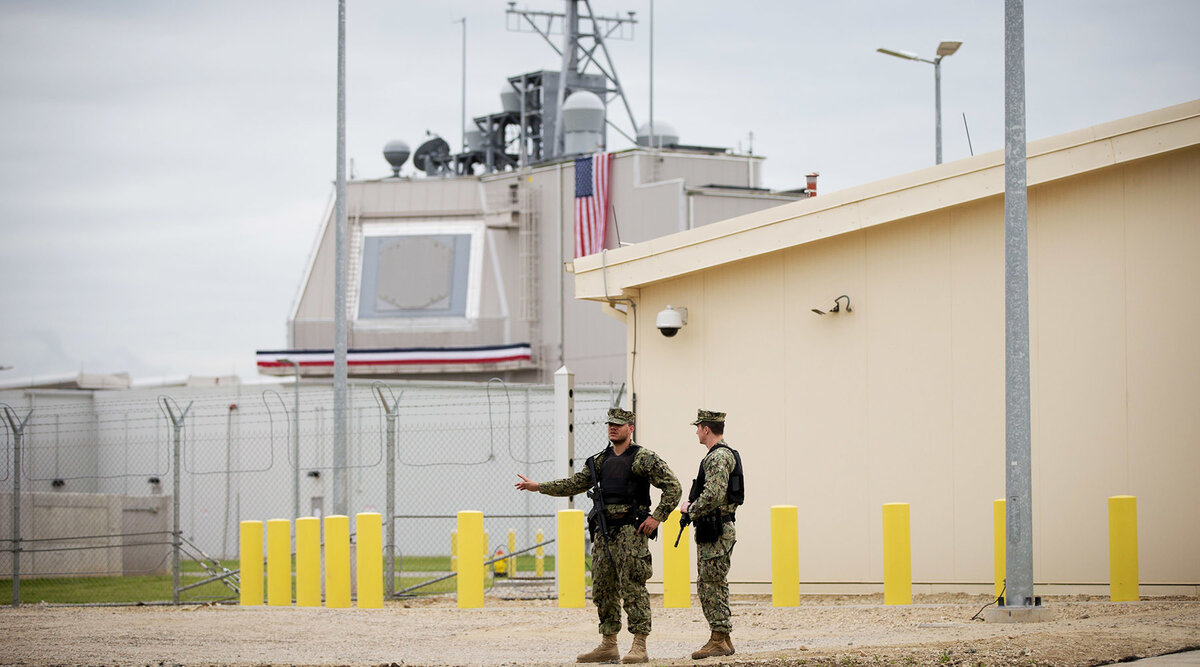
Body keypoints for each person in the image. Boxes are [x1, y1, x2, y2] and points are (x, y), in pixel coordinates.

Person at [515, 407, 681, 664]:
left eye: (618, 424)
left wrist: (658, 516)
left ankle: (639, 644)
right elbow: (574, 484)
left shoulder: (644, 458)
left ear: (630, 428)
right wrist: (539, 487)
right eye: (610, 424)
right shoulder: (599, 461)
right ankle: (608, 644)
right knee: (603, 587)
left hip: (631, 531)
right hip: (604, 532)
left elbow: (673, 487)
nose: (612, 428)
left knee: (633, 586)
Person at [680, 409, 744, 660]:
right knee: (714, 581)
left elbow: (714, 495)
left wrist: (690, 508)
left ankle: (718, 638)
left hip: (716, 529)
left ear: (707, 429)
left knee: (710, 584)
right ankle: (723, 637)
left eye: (698, 427)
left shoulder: (717, 457)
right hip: (716, 528)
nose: (696, 431)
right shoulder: (722, 455)